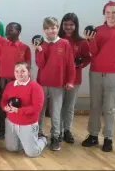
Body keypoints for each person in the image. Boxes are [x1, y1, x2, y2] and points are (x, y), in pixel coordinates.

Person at [82, 0, 115, 152]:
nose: (111, 15)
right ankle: (93, 135)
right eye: (108, 12)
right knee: (95, 105)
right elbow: (93, 53)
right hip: (96, 71)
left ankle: (108, 138)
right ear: (104, 13)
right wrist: (90, 40)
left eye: (114, 12)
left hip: (114, 72)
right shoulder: (97, 30)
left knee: (109, 107)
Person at [35, 17, 76, 151]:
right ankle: (38, 132)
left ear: (57, 28)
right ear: (44, 30)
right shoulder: (40, 44)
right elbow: (40, 64)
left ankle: (55, 137)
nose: (50, 31)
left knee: (56, 112)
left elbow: (70, 64)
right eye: (47, 28)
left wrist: (70, 81)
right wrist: (40, 50)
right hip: (42, 84)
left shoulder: (64, 44)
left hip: (58, 84)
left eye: (53, 28)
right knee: (40, 110)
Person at [0, 22, 31, 140]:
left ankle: (18, 132)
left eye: (10, 30)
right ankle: (2, 130)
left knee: (18, 106)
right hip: (3, 81)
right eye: (7, 30)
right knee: (3, 107)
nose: (7, 32)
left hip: (18, 82)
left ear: (18, 32)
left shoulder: (25, 48)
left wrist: (26, 85)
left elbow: (28, 68)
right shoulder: (1, 46)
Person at [57, 13, 91, 143]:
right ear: (62, 25)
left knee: (69, 106)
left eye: (71, 24)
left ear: (75, 26)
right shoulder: (57, 39)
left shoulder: (82, 42)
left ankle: (67, 130)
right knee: (58, 105)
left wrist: (80, 64)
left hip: (75, 78)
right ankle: (58, 131)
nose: (68, 27)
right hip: (58, 78)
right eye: (66, 24)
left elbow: (87, 58)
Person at [2, 61, 47, 158]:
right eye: (16, 71)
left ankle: (42, 139)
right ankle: (25, 141)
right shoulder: (10, 85)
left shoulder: (36, 87)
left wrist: (19, 111)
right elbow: (3, 101)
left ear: (29, 72)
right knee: (11, 149)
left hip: (27, 123)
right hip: (11, 122)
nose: (19, 74)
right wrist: (5, 107)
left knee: (32, 153)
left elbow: (37, 107)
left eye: (23, 71)